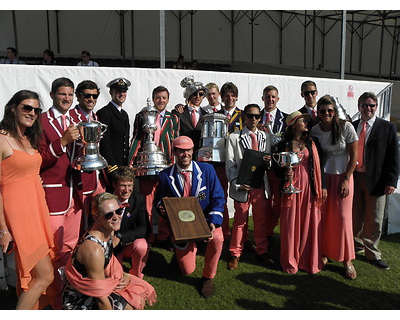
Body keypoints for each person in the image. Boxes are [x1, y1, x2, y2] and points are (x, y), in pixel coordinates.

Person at [0, 90, 54, 309]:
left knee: (34, 275)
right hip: (19, 214)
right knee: (45, 275)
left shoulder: (27, 137)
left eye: (36, 110)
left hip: (36, 209)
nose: (32, 113)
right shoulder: (2, 138)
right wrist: (3, 229)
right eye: (27, 107)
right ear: (13, 108)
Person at [155, 136, 225, 298]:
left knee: (218, 238)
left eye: (188, 150)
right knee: (187, 270)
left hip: (206, 221)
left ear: (193, 151)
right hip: (182, 227)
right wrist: (161, 207)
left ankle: (208, 277)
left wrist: (213, 222)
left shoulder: (207, 170)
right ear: (174, 152)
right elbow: (159, 198)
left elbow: (218, 198)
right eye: (181, 150)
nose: (185, 154)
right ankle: (181, 254)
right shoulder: (165, 175)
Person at [63, 192, 156, 310]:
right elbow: (100, 297)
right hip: (80, 297)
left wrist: (124, 275)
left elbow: (109, 263)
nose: (116, 217)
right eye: (108, 215)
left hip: (97, 285)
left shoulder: (108, 231)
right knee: (129, 305)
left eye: (118, 211)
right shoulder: (94, 249)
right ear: (97, 217)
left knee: (134, 296)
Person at [38, 77, 81, 309]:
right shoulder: (42, 121)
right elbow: (40, 159)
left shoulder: (77, 118)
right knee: (53, 249)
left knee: (71, 247)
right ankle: (52, 299)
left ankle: (67, 294)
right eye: (63, 94)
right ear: (53, 94)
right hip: (54, 194)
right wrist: (62, 142)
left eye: (70, 94)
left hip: (77, 194)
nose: (67, 98)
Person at [310, 95, 358, 280]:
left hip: (344, 176)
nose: (327, 113)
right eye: (323, 111)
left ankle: (347, 259)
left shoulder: (346, 127)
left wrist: (346, 178)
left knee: (344, 218)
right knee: (325, 216)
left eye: (330, 110)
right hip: (324, 178)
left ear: (334, 111)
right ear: (318, 112)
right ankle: (324, 252)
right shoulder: (315, 130)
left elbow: (354, 156)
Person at [273, 111, 326, 274]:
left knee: (308, 223)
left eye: (305, 121)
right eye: (302, 120)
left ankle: (308, 260)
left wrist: (322, 186)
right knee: (290, 223)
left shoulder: (313, 142)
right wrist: (284, 174)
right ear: (293, 124)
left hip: (309, 187)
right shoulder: (283, 145)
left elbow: (320, 164)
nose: (305, 123)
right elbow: (277, 169)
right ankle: (290, 261)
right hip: (291, 188)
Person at [352, 92, 399, 270]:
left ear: (376, 107)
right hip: (355, 177)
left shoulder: (387, 128)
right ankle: (355, 247)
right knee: (355, 215)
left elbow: (393, 157)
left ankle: (372, 253)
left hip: (377, 180)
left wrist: (391, 181)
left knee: (374, 218)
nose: (368, 108)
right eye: (365, 105)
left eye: (371, 105)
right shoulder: (353, 126)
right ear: (359, 107)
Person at [128, 85, 179, 244]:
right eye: (158, 97)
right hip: (146, 164)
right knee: (148, 203)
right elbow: (136, 139)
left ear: (168, 99)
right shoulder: (142, 115)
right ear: (153, 98)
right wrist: (131, 162)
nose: (161, 100)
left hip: (166, 165)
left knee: (165, 201)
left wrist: (175, 164)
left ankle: (164, 235)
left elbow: (176, 140)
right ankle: (149, 234)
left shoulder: (174, 118)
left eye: (164, 98)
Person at [225, 104, 273, 270]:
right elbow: (230, 165)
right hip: (242, 186)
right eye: (250, 115)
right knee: (239, 221)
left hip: (260, 184)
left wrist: (269, 161)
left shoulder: (266, 137)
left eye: (257, 116)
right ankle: (235, 253)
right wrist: (237, 183)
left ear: (260, 117)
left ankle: (262, 250)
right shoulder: (233, 138)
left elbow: (270, 161)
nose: (253, 119)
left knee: (260, 220)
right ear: (244, 116)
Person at [69, 80, 107, 231]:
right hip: (78, 175)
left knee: (96, 215)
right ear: (78, 96)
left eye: (95, 96)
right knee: (80, 219)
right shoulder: (71, 117)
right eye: (87, 95)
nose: (91, 99)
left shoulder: (95, 117)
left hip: (96, 176)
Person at [258, 85, 289, 248]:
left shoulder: (286, 118)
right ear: (263, 98)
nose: (270, 99)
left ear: (277, 99)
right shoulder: (255, 117)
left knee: (277, 202)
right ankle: (263, 231)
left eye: (273, 97)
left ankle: (270, 229)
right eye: (267, 96)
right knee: (263, 201)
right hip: (260, 166)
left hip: (278, 167)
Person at [216, 81, 243, 242]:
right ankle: (224, 233)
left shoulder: (244, 114)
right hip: (219, 161)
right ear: (222, 97)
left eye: (232, 95)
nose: (230, 98)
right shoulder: (216, 114)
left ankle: (241, 238)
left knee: (240, 202)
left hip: (238, 163)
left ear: (237, 97)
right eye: (227, 95)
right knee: (221, 199)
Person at [112, 166, 150, 279]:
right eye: (123, 185)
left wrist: (121, 236)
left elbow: (144, 228)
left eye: (130, 185)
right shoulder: (105, 199)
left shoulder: (138, 199)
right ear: (114, 185)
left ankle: (136, 274)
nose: (126, 190)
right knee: (115, 277)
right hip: (110, 246)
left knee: (141, 245)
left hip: (126, 243)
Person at [97, 78, 131, 188]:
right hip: (112, 167)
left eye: (124, 91)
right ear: (111, 92)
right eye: (118, 91)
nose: (121, 94)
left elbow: (125, 141)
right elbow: (104, 143)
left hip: (122, 165)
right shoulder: (104, 113)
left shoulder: (124, 114)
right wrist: (113, 167)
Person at [172, 76, 209, 155]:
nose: (198, 96)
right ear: (189, 95)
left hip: (201, 155)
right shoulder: (178, 112)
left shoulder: (207, 116)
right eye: (195, 93)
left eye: (201, 94)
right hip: (183, 153)